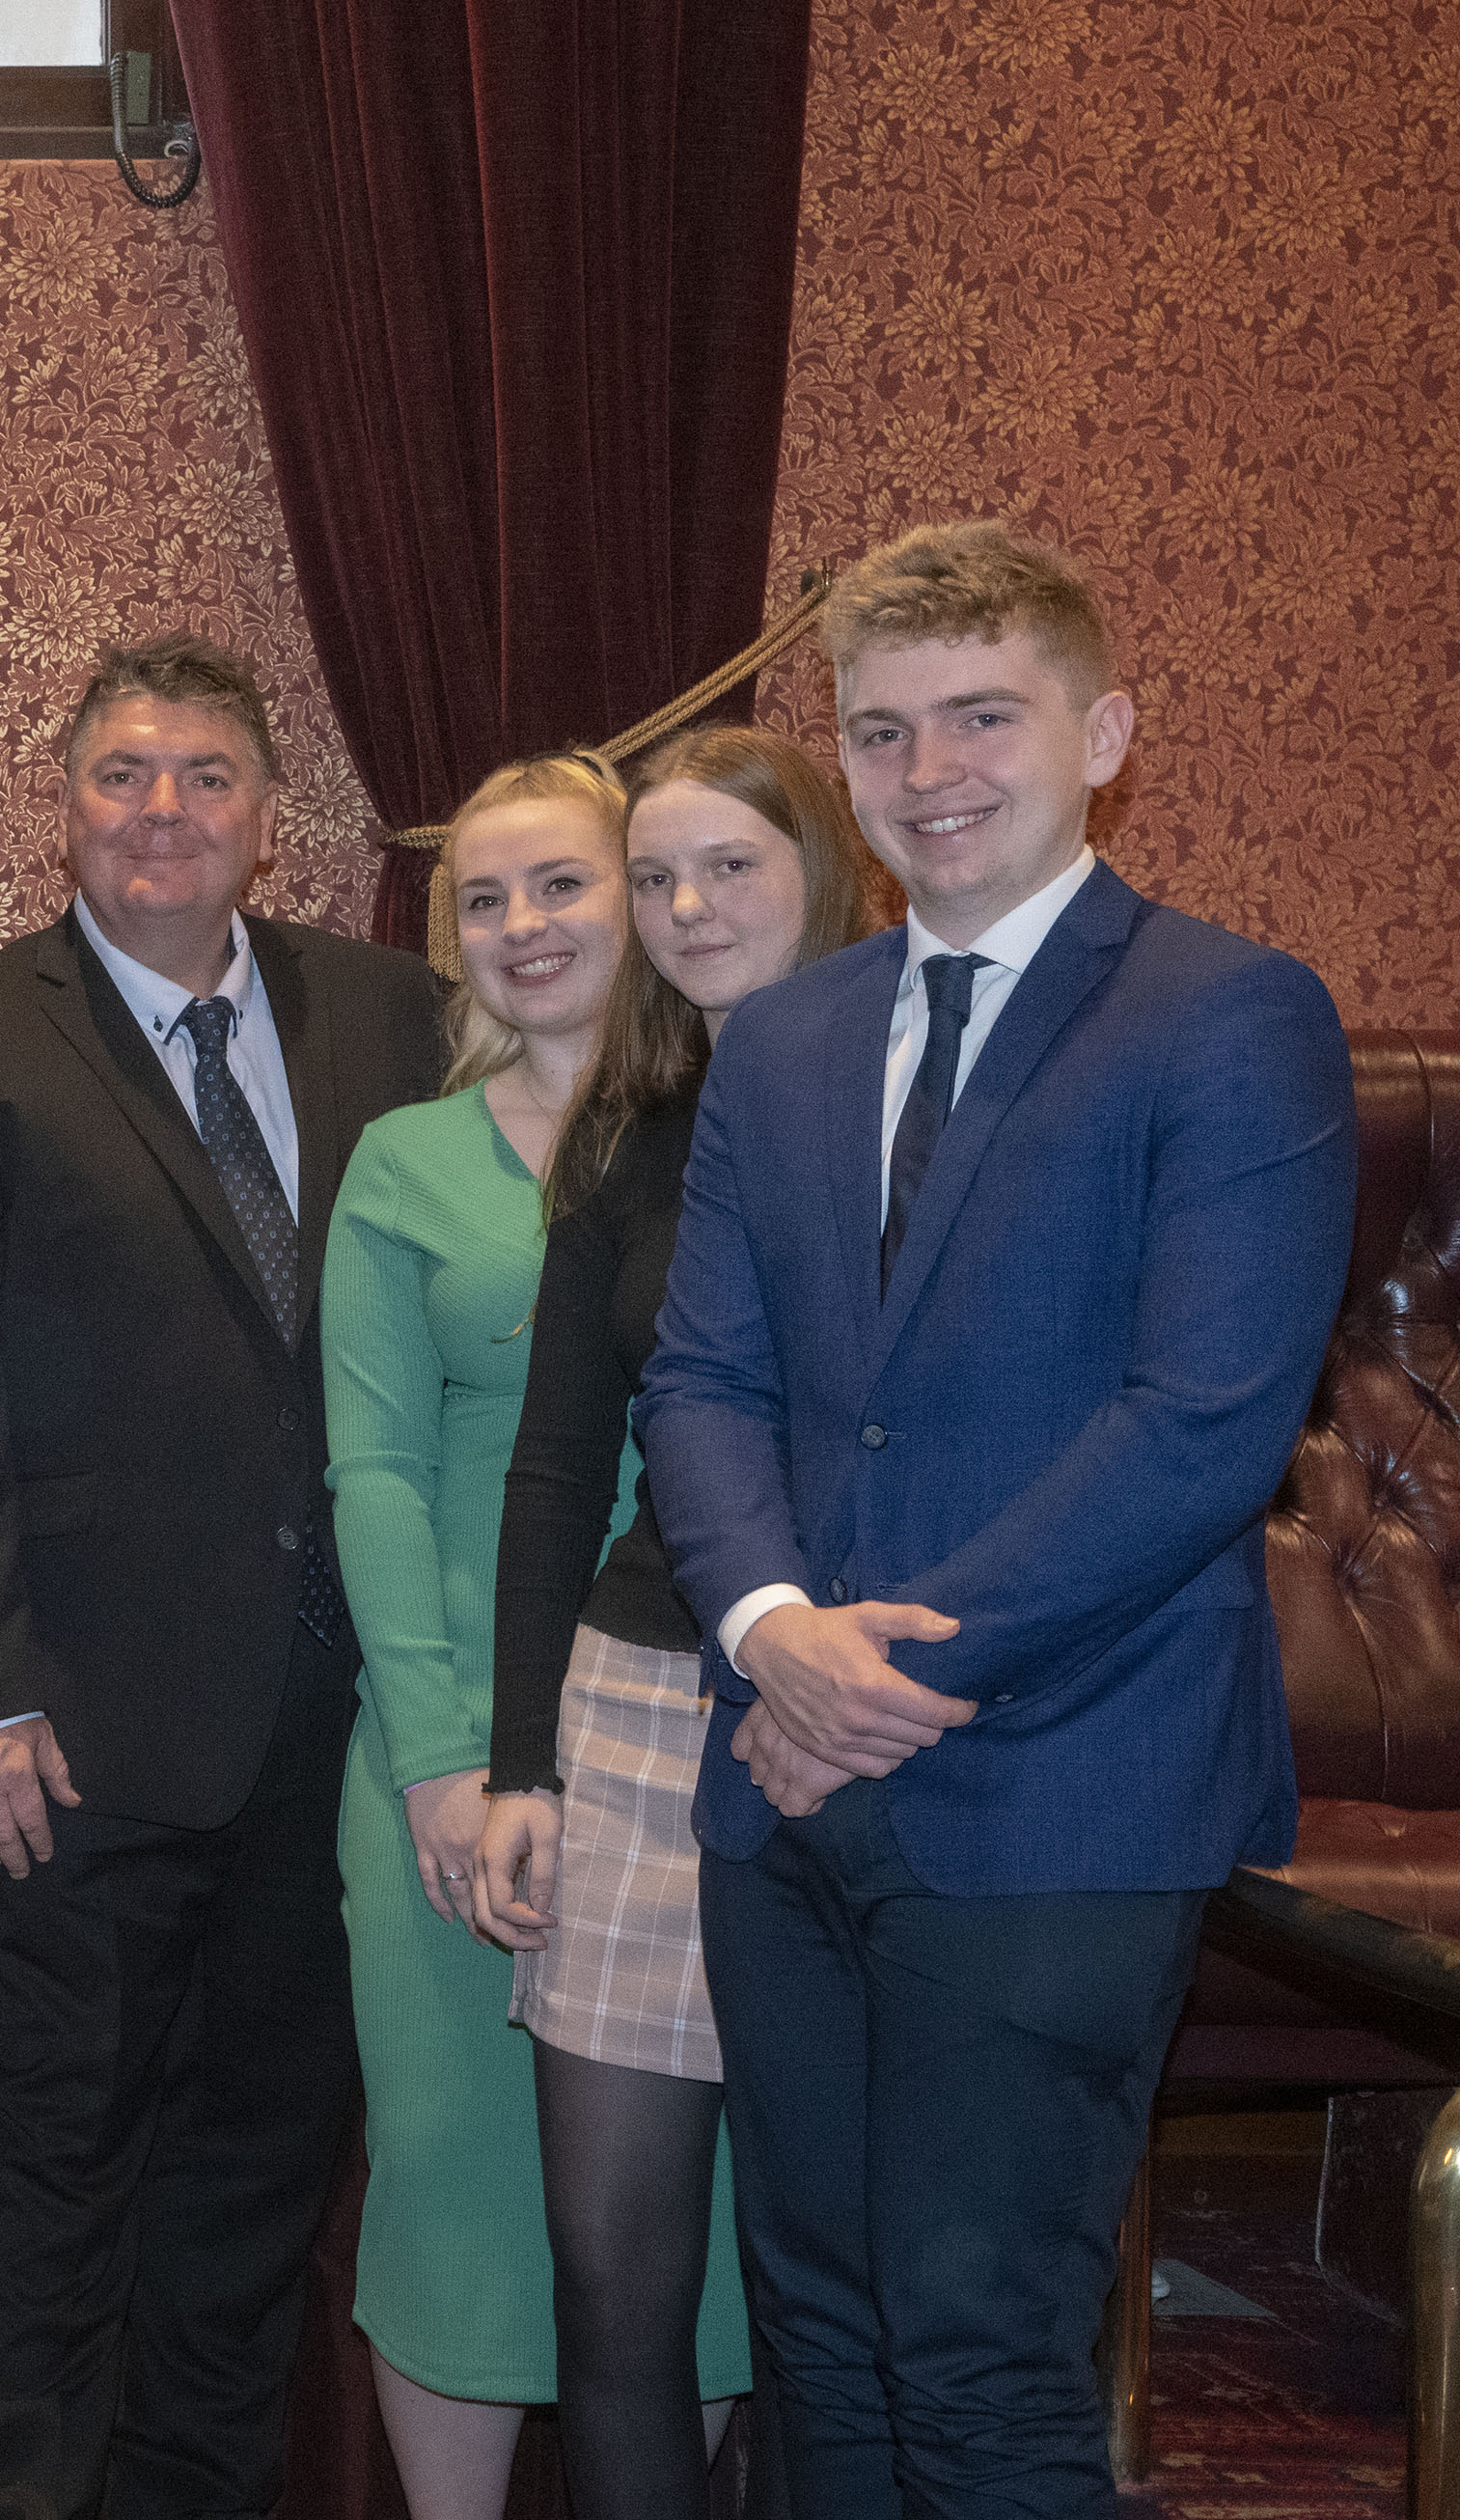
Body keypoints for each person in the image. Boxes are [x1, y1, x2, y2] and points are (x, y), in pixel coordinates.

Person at [638, 524, 1358, 2518]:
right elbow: (701, 1383)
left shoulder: (1231, 1016)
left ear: (1101, 734)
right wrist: (778, 1631)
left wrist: (873, 1667)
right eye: (881, 729)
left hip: (1060, 1787)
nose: (928, 766)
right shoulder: (779, 1040)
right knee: (818, 2334)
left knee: (976, 2349)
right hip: (779, 1788)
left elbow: (1200, 1426)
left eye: (982, 715)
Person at [0, 633, 445, 2519]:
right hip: (74, 1726)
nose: (159, 812)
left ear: (267, 819)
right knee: (57, 2154)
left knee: (261, 2159)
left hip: (341, 1720)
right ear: (68, 805)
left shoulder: (397, 1016)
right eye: (120, 775)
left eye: (200, 776)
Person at [324, 752, 753, 2516]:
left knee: (683, 2209)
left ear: (641, 900)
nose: (522, 928)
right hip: (441, 1737)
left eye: (563, 884)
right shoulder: (400, 1159)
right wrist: (436, 1760)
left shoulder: (738, 1127)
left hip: (682, 1728)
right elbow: (373, 1469)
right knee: (446, 2175)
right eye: (481, 900)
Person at [472, 726, 884, 2520]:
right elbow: (556, 1473)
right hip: (640, 1710)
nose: (685, 904)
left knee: (831, 2285)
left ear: (826, 869)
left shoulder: (919, 1106)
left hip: (866, 1723)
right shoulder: (625, 1133)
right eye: (654, 874)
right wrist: (512, 1765)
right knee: (612, 2287)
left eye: (729, 865)